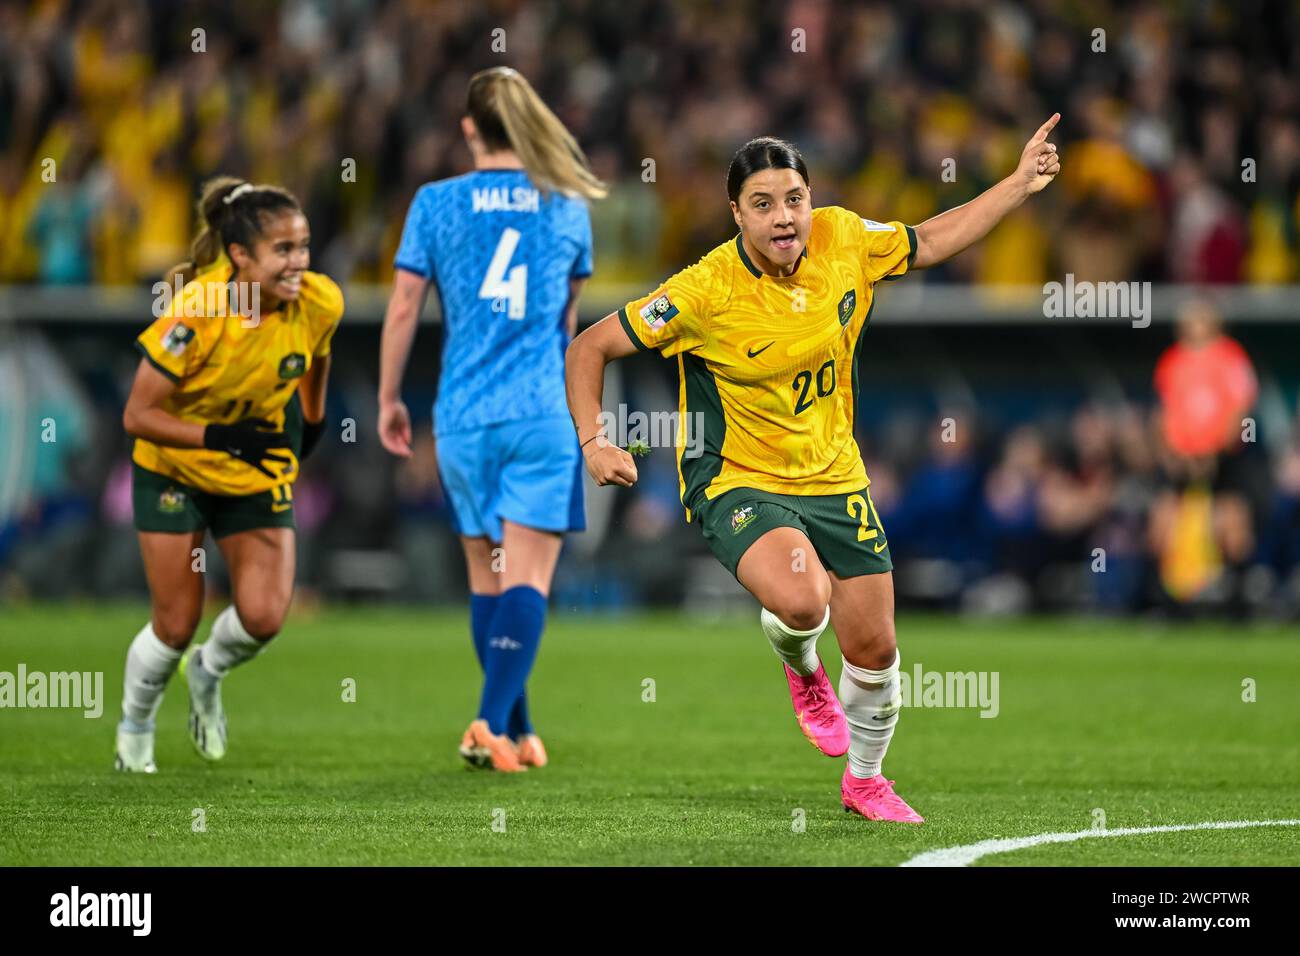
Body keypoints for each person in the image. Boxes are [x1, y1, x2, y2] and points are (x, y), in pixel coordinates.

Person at [566, 117, 1062, 822]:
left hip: (835, 475)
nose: (784, 216)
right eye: (762, 203)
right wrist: (594, 440)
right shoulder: (704, 290)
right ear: (735, 213)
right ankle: (802, 667)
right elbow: (589, 346)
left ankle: (866, 781)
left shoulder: (844, 238)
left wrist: (1017, 184)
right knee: (804, 600)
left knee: (877, 646)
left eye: (794, 198)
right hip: (738, 478)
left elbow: (932, 239)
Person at [378, 67, 603, 772]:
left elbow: (405, 306)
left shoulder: (434, 202)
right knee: (528, 581)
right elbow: (569, 324)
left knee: (489, 578)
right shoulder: (566, 204)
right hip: (539, 410)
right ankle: (486, 721)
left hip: (462, 416)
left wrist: (388, 399)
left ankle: (513, 729)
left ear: (469, 129)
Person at [115, 177, 342, 772]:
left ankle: (207, 672)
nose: (299, 263)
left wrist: (313, 419)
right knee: (175, 624)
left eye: (304, 247)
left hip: (253, 469)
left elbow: (318, 352)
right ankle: (135, 725)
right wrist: (220, 437)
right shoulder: (196, 310)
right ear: (240, 256)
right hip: (175, 471)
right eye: (283, 251)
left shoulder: (320, 300)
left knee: (266, 616)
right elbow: (138, 414)